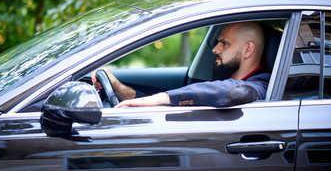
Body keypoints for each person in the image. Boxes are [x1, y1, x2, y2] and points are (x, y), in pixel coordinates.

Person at [92, 21, 270, 108]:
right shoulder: (217, 86)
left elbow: (234, 91)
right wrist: (117, 87)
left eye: (224, 43)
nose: (215, 49)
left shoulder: (261, 86)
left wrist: (156, 99)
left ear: (248, 50)